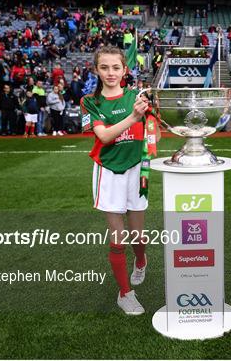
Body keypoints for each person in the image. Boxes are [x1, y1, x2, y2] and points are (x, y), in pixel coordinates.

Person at [80, 46, 152, 315]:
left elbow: (168, 113)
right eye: (104, 68)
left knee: (138, 235)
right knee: (118, 238)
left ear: (125, 69)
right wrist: (133, 117)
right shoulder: (90, 101)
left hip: (136, 169)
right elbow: (105, 137)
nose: (110, 73)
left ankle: (141, 260)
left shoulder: (138, 96)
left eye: (116, 67)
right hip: (108, 171)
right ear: (96, 70)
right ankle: (124, 293)